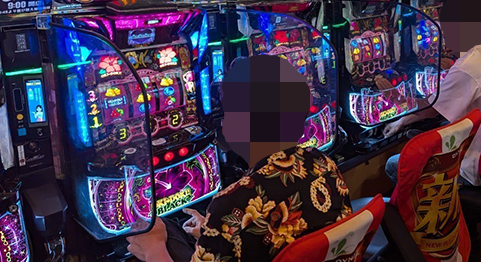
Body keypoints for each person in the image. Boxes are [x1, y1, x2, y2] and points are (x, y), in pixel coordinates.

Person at [127, 55, 352, 262]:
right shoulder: (324, 164)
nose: (223, 122)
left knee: (165, 231)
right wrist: (216, 233)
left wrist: (153, 249)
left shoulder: (232, 203)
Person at [383, 0, 481, 187]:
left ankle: (433, 206)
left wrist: (399, 106)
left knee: (393, 165)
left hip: (472, 164)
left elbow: (432, 109)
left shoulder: (468, 67)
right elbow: (437, 104)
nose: (443, 38)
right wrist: (404, 117)